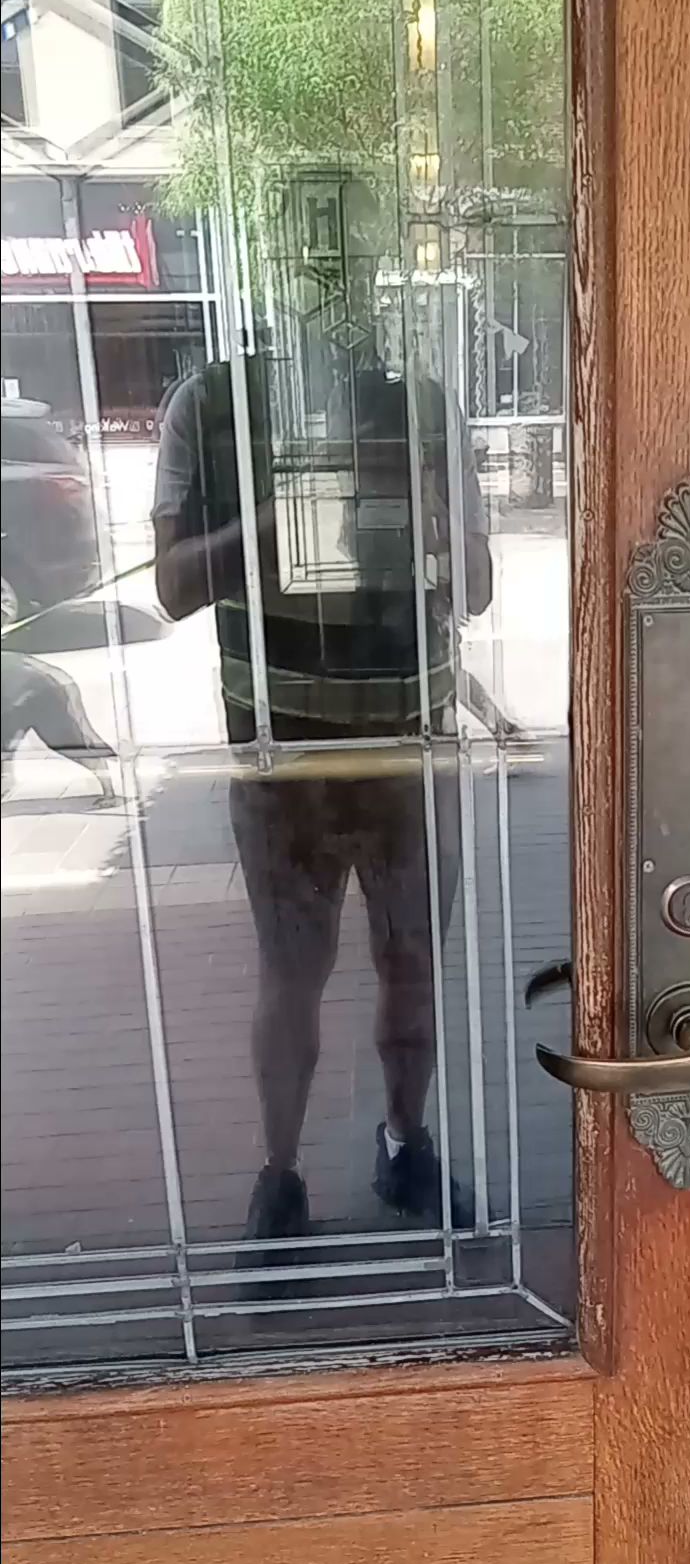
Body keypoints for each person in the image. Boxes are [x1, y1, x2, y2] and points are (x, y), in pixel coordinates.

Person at [151, 344, 491, 1267]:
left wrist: (426, 512)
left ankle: (400, 1144)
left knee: (409, 966)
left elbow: (478, 585)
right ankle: (283, 1170)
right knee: (291, 974)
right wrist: (281, 521)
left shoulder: (423, 405)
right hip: (285, 761)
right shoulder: (210, 405)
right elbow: (172, 588)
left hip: (404, 753)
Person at [2, 648, 116, 803]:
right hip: (30, 694)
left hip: (39, 695)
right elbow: (59, 676)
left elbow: (61, 679)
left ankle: (108, 790)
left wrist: (83, 724)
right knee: (66, 743)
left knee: (65, 743)